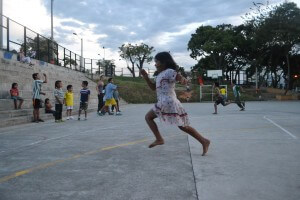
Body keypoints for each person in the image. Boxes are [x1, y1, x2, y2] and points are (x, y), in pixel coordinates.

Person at [140, 52, 210, 156]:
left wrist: (183, 80)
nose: (155, 64)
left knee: (148, 117)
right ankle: (204, 141)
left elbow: (179, 77)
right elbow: (153, 88)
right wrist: (146, 77)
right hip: (166, 102)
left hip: (167, 101)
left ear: (164, 62)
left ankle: (159, 139)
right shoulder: (159, 75)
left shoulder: (169, 71)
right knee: (182, 126)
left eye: (157, 62)